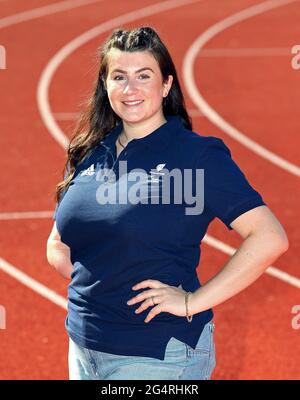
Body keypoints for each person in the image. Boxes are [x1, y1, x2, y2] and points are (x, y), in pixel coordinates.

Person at [46, 26, 289, 380]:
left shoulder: (196, 156)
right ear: (106, 86)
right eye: (119, 77)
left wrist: (192, 302)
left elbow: (269, 237)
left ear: (165, 86)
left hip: (159, 353)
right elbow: (57, 241)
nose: (130, 89)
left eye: (144, 76)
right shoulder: (88, 152)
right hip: (84, 347)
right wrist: (99, 283)